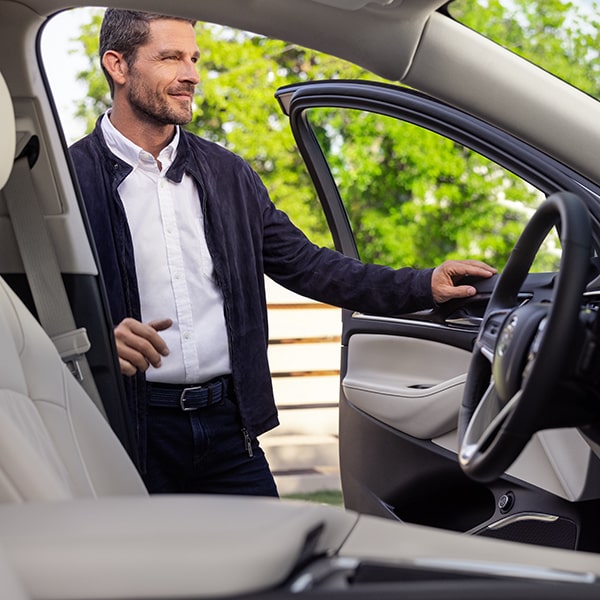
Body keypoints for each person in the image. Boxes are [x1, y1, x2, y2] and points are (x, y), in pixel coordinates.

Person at [70, 9, 496, 497]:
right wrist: (96, 339)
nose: (191, 74)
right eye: (170, 57)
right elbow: (24, 305)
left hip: (231, 431)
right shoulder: (64, 182)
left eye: (193, 58)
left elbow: (311, 266)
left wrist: (423, 284)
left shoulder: (231, 175)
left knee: (274, 568)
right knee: (149, 574)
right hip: (128, 432)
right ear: (117, 66)